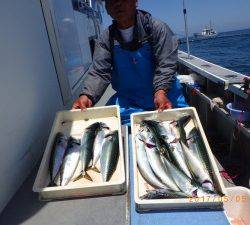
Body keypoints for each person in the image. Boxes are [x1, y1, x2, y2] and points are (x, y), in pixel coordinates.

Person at [73, 0, 188, 124]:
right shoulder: (105, 39)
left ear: (135, 2)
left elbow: (167, 64)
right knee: (107, 126)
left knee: (182, 125)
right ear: (106, 8)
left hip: (166, 94)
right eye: (110, 2)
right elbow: (99, 72)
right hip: (129, 100)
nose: (117, 4)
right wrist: (87, 95)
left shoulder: (157, 28)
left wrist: (161, 91)